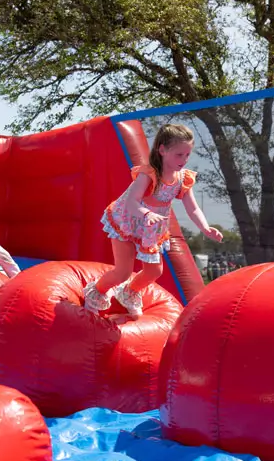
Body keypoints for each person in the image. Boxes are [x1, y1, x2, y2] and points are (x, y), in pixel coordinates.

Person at [83, 124, 223, 317]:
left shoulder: (183, 178)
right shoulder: (149, 174)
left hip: (151, 228)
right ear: (163, 150)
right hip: (129, 221)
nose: (184, 160)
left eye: (187, 154)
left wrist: (206, 227)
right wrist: (146, 214)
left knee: (154, 271)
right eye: (179, 154)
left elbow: (193, 207)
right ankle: (96, 293)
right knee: (123, 271)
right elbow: (132, 201)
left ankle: (129, 292)